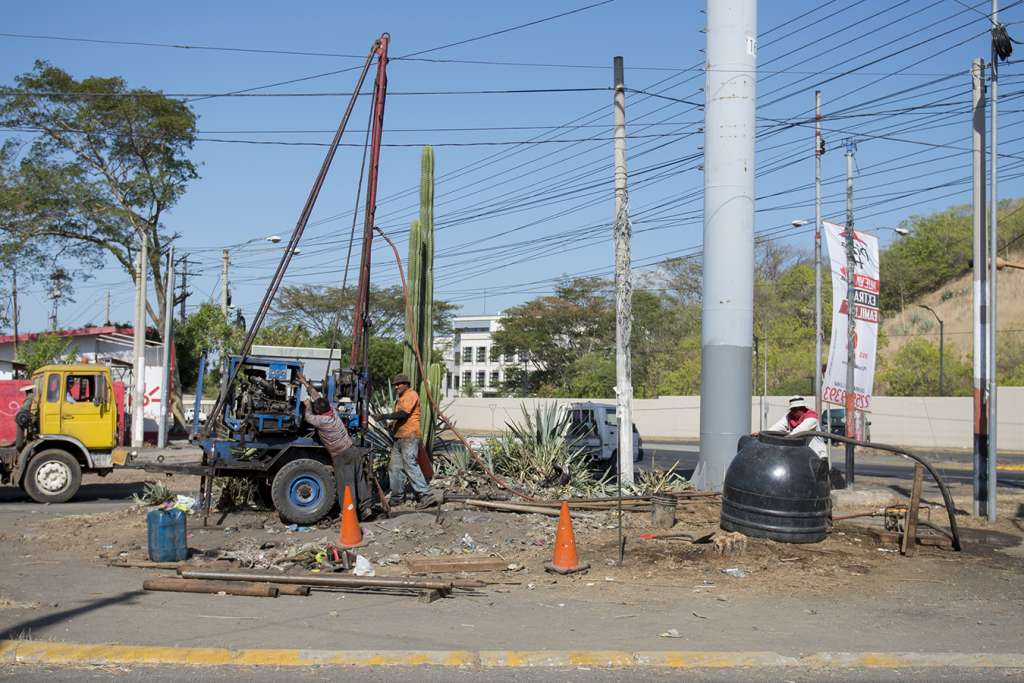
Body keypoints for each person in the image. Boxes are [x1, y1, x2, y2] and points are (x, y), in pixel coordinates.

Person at [295, 372, 372, 517]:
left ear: (318, 411)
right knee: (359, 479)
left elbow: (308, 416)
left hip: (341, 456)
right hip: (352, 450)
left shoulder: (320, 421)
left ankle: (349, 513)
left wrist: (307, 406)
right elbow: (317, 396)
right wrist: (305, 382)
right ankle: (366, 507)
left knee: (346, 484)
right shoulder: (333, 412)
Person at [376, 373, 435, 509]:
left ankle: (426, 495)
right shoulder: (401, 398)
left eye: (399, 384)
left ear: (406, 384)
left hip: (409, 436)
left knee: (410, 465)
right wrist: (391, 424)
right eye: (395, 385)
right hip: (400, 438)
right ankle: (397, 497)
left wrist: (385, 416)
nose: (396, 387)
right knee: (395, 467)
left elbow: (404, 414)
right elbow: (400, 417)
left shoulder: (411, 395)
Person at [765, 395, 829, 461]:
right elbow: (777, 426)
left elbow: (800, 430)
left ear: (803, 408)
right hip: (803, 455)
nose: (795, 411)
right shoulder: (789, 417)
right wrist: (764, 433)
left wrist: (788, 436)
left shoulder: (811, 418)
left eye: (798, 408)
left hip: (817, 455)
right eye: (793, 409)